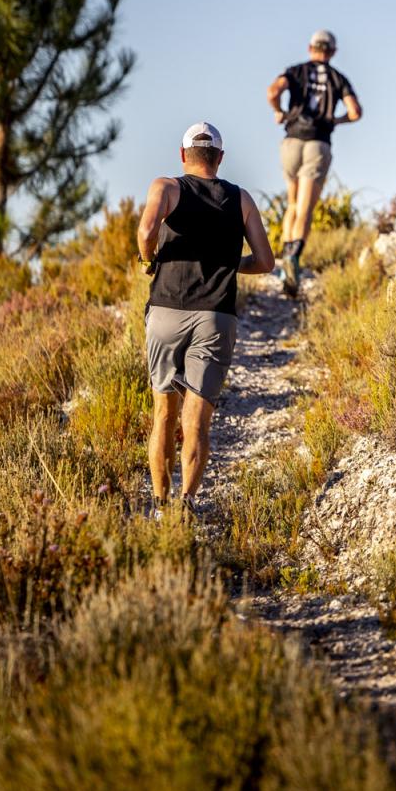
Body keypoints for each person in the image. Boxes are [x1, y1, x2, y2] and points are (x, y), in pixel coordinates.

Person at [136, 122, 274, 512]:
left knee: (164, 414)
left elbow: (146, 231)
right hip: (215, 317)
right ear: (220, 158)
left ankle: (160, 505)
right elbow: (265, 261)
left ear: (183, 155)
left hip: (166, 311)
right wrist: (230, 263)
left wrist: (149, 261)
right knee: (196, 420)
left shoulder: (166, 187)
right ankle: (187, 504)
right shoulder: (241, 199)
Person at [266, 29, 363, 293]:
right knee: (305, 209)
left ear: (310, 48)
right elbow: (355, 111)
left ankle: (285, 262)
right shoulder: (338, 78)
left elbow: (273, 91)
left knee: (292, 204)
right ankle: (294, 258)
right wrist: (336, 120)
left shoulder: (296, 71)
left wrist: (279, 111)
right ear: (333, 52)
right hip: (318, 143)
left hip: (292, 141)